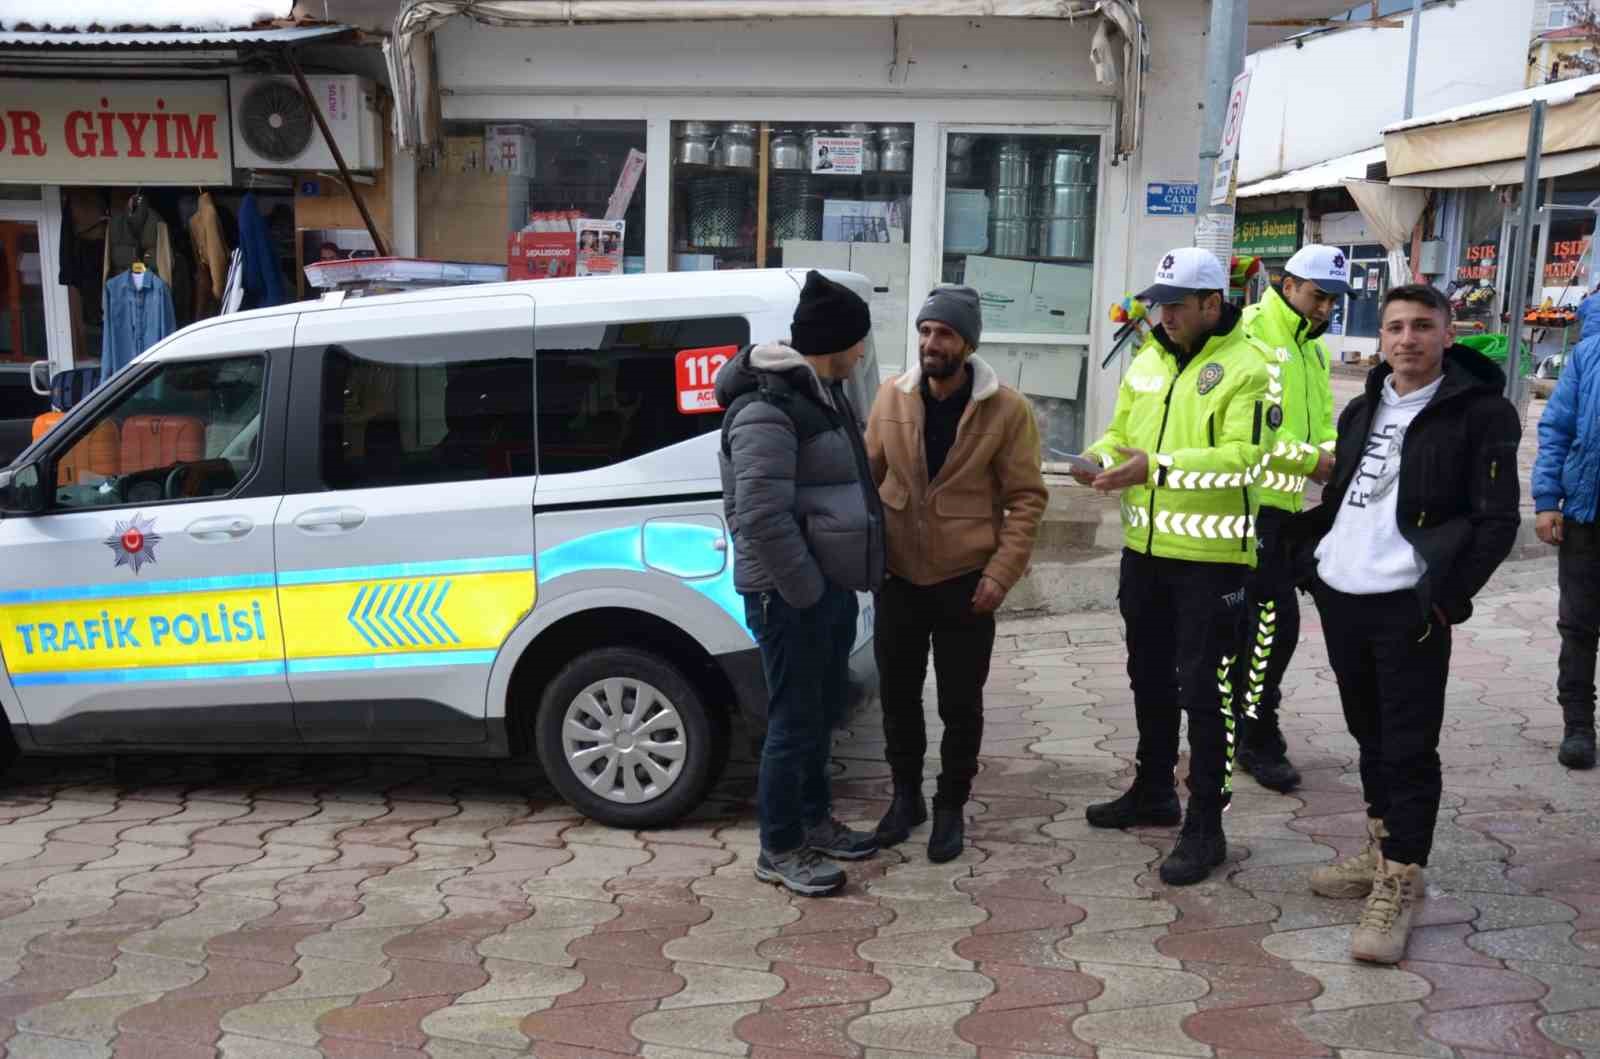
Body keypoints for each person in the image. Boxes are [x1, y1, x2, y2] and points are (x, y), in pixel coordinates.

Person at [1271, 284, 1520, 964]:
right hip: (1344, 594)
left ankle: (1403, 879)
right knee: (1369, 735)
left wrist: (1448, 597)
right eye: (1394, 327)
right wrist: (1309, 559)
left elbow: (1498, 521)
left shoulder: (1482, 412)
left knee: (1408, 745)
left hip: (1410, 604)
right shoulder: (1364, 406)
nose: (1406, 339)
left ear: (1448, 333)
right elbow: (1346, 493)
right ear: (1380, 337)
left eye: (1421, 326)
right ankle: (1383, 850)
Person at [1075, 248, 1278, 886]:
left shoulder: (1251, 366)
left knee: (1207, 694)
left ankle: (1206, 825)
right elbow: (1121, 434)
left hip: (1213, 560)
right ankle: (1154, 789)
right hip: (1146, 552)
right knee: (1149, 678)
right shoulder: (1149, 360)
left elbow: (1248, 459)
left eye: (1175, 305)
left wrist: (1156, 469)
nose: (1161, 316)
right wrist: (1095, 457)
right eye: (1157, 304)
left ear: (1212, 304)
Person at [715, 270, 886, 897]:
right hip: (789, 594)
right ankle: (780, 846)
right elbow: (760, 514)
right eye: (858, 341)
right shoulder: (767, 407)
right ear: (834, 341)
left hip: (824, 589)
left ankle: (814, 821)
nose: (864, 352)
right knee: (792, 721)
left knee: (818, 713)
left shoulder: (817, 393)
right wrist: (808, 589)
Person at [866, 286, 1047, 863]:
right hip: (898, 579)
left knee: (960, 703)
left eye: (942, 334)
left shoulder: (1007, 410)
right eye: (923, 331)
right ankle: (904, 799)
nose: (929, 343)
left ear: (966, 343)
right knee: (896, 697)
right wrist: (862, 560)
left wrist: (1001, 574)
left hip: (967, 582)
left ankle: (950, 806)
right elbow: (865, 484)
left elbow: (1027, 499)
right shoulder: (890, 397)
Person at [1234, 245, 1349, 793]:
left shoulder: (1313, 348)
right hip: (1252, 510)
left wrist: (1335, 456)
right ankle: (1255, 735)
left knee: (1276, 627)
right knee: (1270, 627)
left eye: (1332, 299)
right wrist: (1313, 460)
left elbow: (1323, 419)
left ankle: (1243, 725)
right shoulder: (1256, 333)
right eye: (1317, 295)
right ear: (1287, 283)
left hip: (1298, 513)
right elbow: (1250, 430)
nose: (1325, 308)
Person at [1533, 327, 1600, 770]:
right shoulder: (1588, 353)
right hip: (1586, 512)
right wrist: (1545, 500)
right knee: (1578, 627)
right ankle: (1578, 726)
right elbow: (1557, 427)